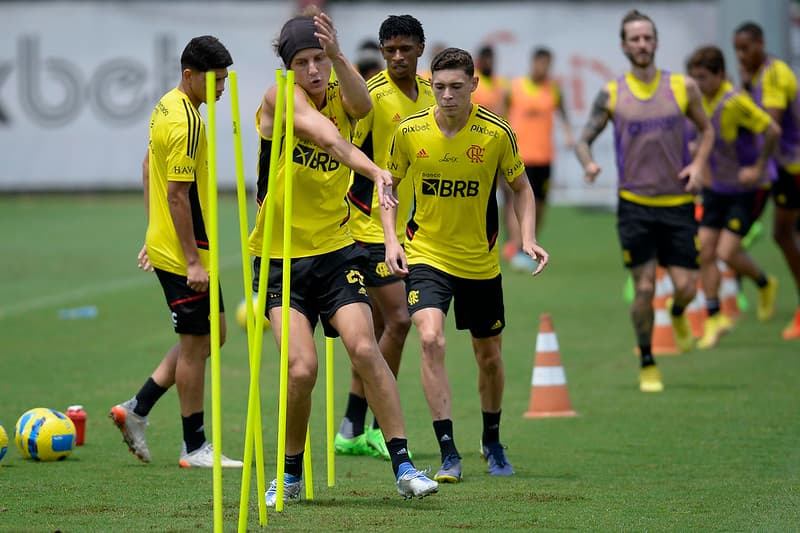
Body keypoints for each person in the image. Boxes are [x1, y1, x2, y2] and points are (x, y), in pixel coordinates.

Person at [249, 10, 438, 505]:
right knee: (302, 369)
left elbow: (360, 107)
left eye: (319, 60)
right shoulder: (279, 96)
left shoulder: (337, 84)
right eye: (303, 62)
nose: (313, 71)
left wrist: (337, 56)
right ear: (287, 67)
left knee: (365, 348)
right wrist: (377, 171)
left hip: (335, 249)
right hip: (281, 256)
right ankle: (289, 473)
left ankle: (404, 465)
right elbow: (330, 140)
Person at [381, 47, 549, 483]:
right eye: (439, 87)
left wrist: (526, 237)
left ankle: (491, 441)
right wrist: (390, 240)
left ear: (474, 85)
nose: (447, 96)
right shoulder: (411, 132)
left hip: (479, 261)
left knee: (488, 357)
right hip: (426, 255)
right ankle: (447, 451)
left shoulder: (496, 133)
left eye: (457, 87)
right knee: (431, 338)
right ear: (430, 85)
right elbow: (389, 187)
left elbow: (522, 188)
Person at [109, 36, 243, 468]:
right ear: (190, 75)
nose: (222, 87)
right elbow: (178, 195)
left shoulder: (167, 103)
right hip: (188, 255)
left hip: (180, 247)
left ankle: (138, 408)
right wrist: (188, 260)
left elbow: (148, 167)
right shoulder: (185, 123)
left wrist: (152, 232)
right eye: (216, 80)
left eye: (225, 79)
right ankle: (194, 446)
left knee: (213, 336)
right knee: (194, 345)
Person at [574, 10, 714, 392]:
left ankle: (680, 312)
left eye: (647, 38)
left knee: (687, 287)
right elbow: (583, 139)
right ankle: (648, 360)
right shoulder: (612, 93)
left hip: (678, 204)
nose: (641, 44)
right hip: (635, 204)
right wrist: (588, 165)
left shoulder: (684, 87)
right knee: (645, 287)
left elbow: (707, 129)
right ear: (623, 46)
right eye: (634, 39)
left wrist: (699, 165)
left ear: (656, 42)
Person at [336, 14, 435, 460]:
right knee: (399, 320)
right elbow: (345, 147)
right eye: (389, 50)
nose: (397, 58)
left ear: (420, 49)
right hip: (365, 224)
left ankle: (351, 426)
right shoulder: (372, 96)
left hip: (404, 226)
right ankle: (378, 424)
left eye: (405, 49)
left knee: (378, 330)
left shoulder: (435, 95)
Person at [686, 45, 780, 348]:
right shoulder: (701, 101)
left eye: (702, 77)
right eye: (693, 77)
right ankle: (714, 318)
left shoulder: (734, 101)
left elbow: (773, 130)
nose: (696, 84)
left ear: (718, 74)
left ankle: (765, 284)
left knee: (726, 253)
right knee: (705, 252)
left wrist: (758, 166)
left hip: (747, 190)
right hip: (717, 189)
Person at [734, 21, 800, 340]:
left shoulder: (774, 75)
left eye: (745, 48)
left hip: (793, 167)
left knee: (784, 235)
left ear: (761, 44)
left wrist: (759, 167)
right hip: (783, 169)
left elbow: (770, 127)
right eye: (737, 49)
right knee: (782, 235)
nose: (741, 55)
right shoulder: (760, 77)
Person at [506, 47, 575, 271]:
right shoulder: (515, 87)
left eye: (548, 64)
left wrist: (567, 132)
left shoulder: (554, 90)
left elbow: (563, 113)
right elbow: (500, 114)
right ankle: (516, 247)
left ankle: (529, 243)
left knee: (540, 204)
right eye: (540, 63)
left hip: (544, 156)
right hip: (519, 156)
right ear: (533, 63)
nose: (543, 68)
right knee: (514, 200)